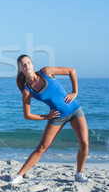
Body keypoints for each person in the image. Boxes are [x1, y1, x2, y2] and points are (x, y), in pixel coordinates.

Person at [11, 55, 90, 184]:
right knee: (41, 148)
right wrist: (47, 117)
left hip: (75, 110)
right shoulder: (27, 91)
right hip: (57, 117)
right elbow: (27, 115)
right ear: (21, 69)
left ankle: (79, 173)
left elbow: (72, 71)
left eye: (28, 63)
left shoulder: (46, 72)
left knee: (84, 144)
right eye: (23, 65)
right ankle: (19, 176)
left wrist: (74, 92)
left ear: (32, 64)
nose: (27, 66)